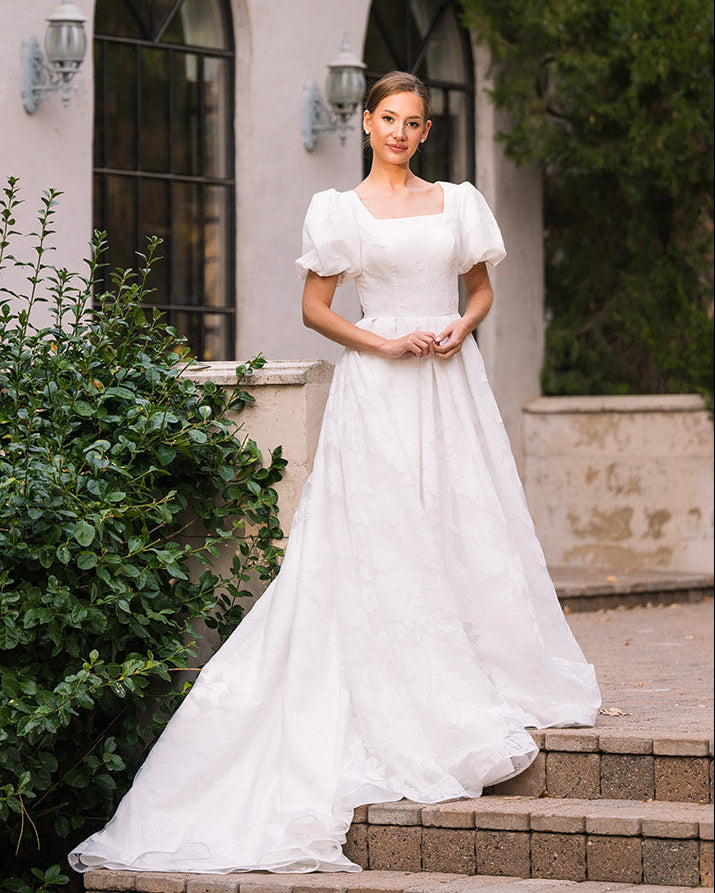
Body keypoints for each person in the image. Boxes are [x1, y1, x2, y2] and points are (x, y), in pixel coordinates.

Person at [69, 71, 600, 876]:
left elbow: (482, 288)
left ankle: (477, 658)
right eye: (387, 118)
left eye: (413, 122)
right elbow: (315, 309)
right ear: (365, 123)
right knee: (384, 528)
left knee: (462, 513)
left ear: (426, 131)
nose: (399, 131)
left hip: (449, 382)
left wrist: (460, 325)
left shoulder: (456, 200)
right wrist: (381, 342)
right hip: (379, 382)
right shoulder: (339, 211)